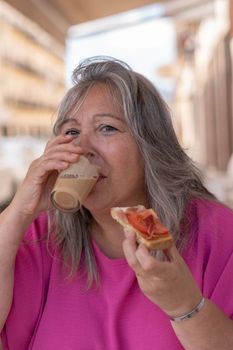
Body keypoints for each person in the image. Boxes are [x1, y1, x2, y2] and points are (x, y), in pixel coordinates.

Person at [0, 56, 233, 350]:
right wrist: (18, 211)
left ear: (150, 145)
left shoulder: (218, 233)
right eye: (71, 132)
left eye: (107, 128)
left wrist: (185, 304)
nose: (82, 148)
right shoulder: (39, 236)